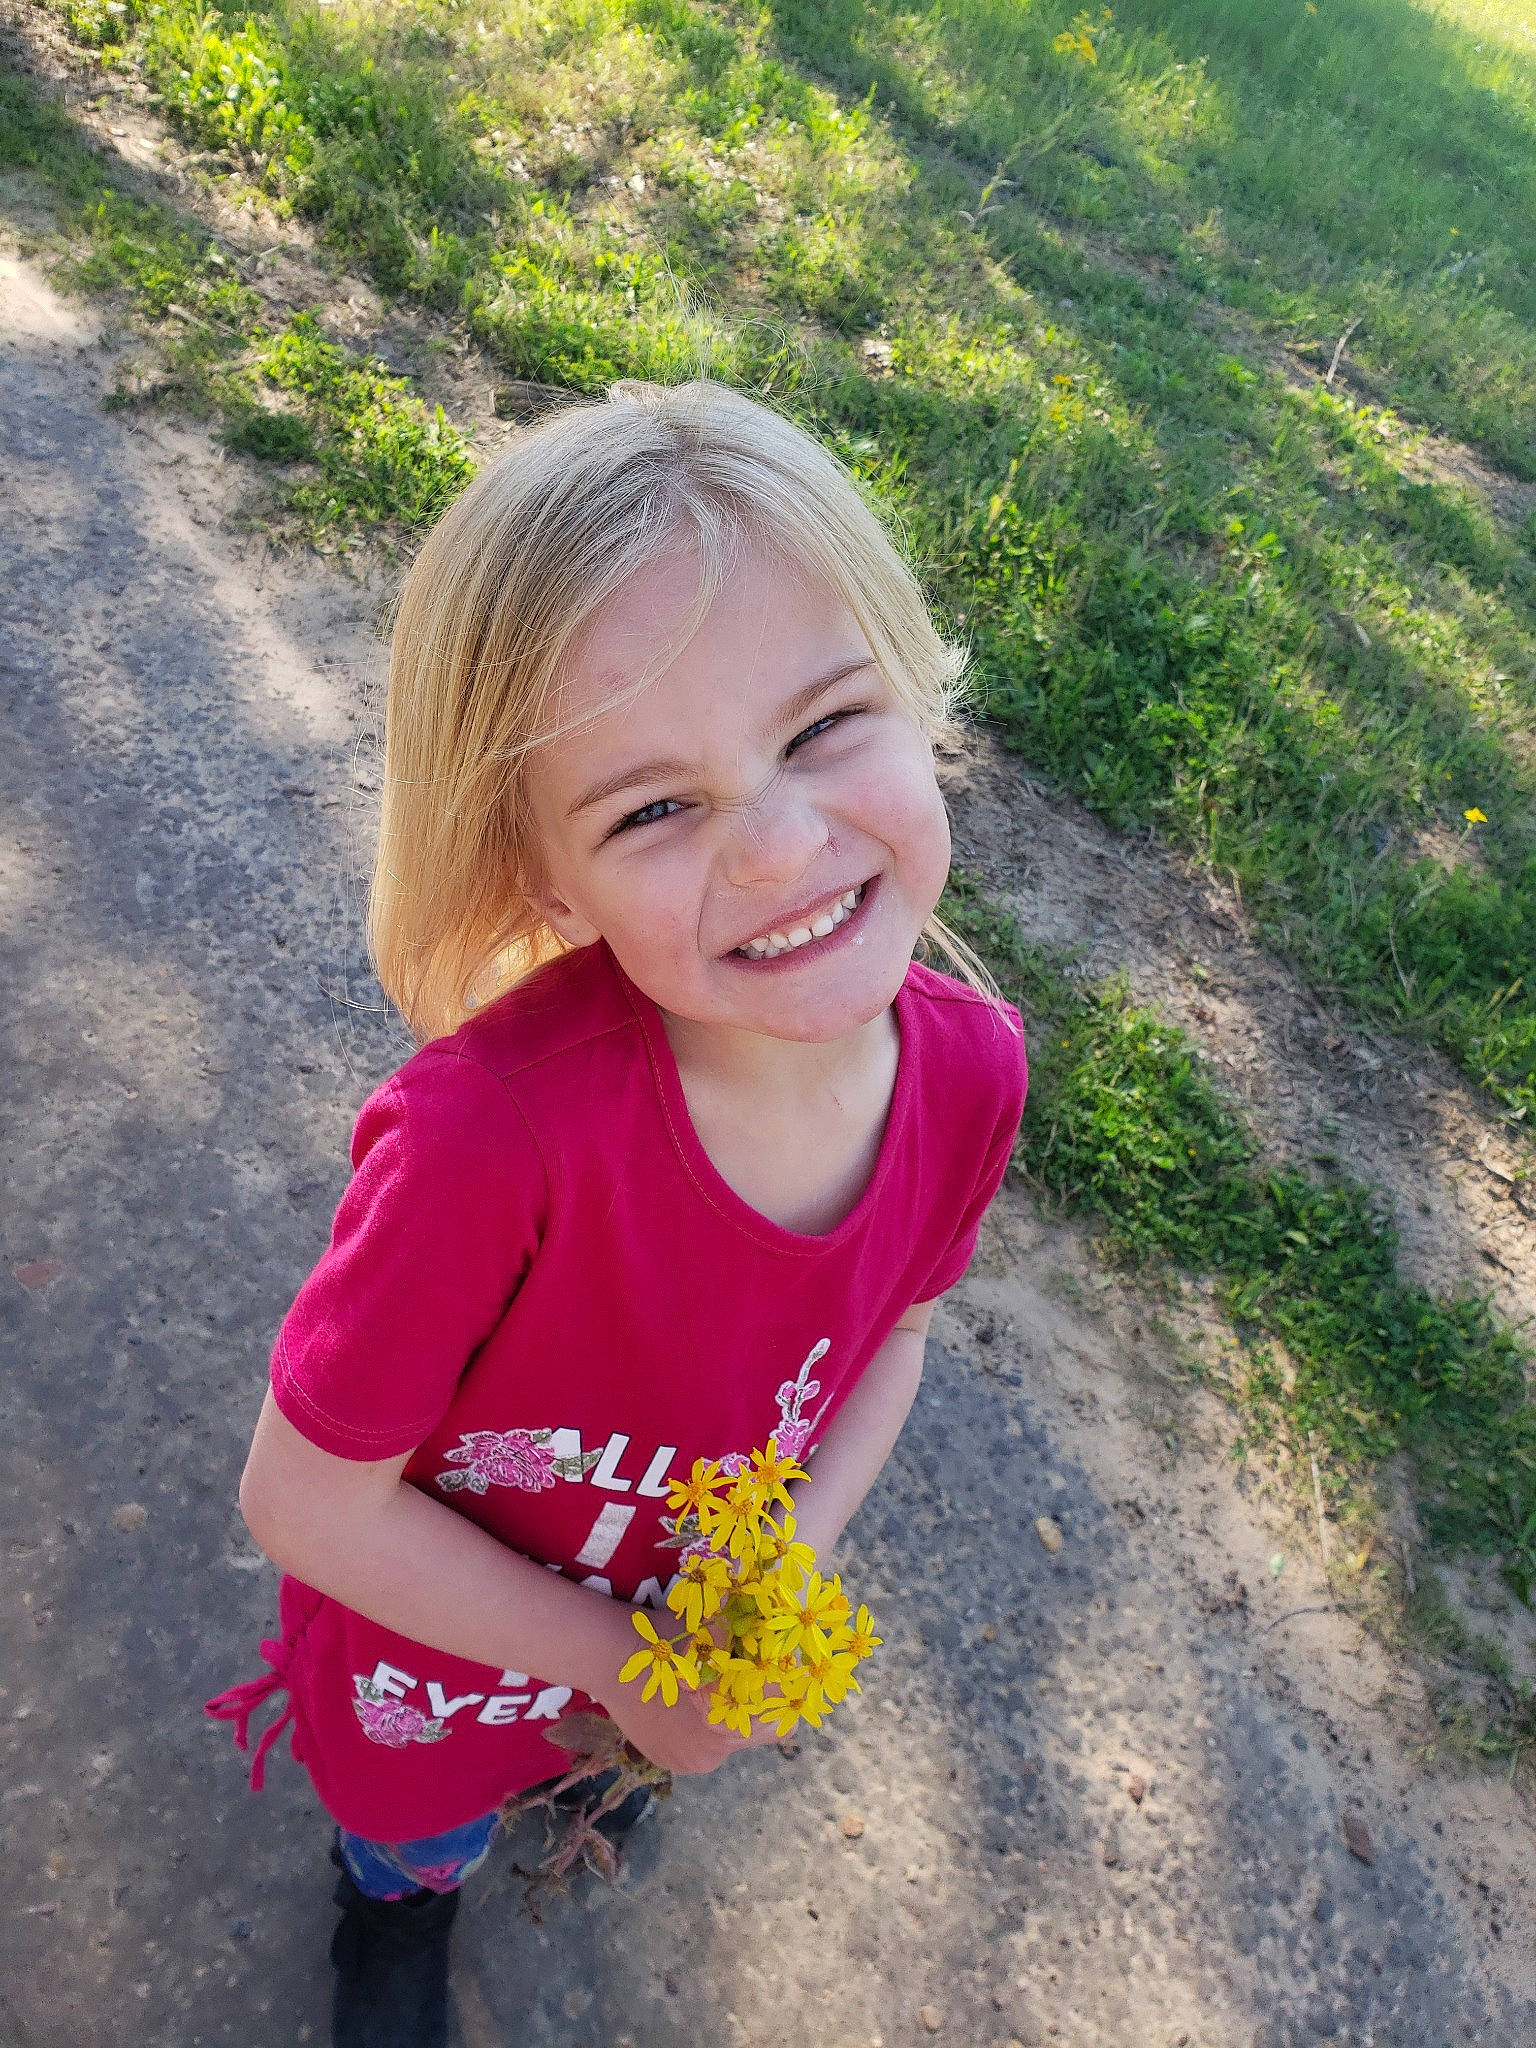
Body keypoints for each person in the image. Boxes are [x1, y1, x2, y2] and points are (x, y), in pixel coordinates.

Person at [206, 379, 1027, 2048]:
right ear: (542, 879)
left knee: (605, 1765)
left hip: (652, 1647)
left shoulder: (976, 1075)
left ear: (917, 684)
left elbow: (900, 1331)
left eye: (825, 726)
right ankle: (393, 1907)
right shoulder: (485, 1145)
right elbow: (306, 1500)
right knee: (421, 1827)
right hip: (443, 1664)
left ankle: (584, 1789)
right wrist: (622, 1664)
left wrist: (765, 1585)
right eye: (655, 808)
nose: (780, 847)